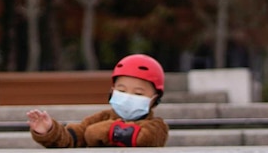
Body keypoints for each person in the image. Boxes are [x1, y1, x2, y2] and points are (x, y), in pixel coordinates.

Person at [27, 54, 168, 147]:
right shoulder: (101, 117)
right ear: (112, 91)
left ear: (154, 99)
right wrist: (50, 130)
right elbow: (73, 137)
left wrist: (105, 131)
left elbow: (145, 138)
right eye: (122, 90)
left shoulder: (157, 126)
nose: (128, 96)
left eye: (138, 93)